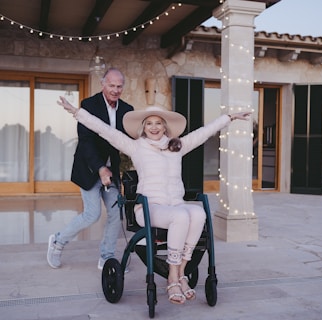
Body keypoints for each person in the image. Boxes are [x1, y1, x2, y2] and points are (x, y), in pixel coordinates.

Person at [57, 96, 251, 304]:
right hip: (149, 209)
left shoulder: (177, 146)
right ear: (143, 127)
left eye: (158, 123)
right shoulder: (136, 147)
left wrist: (229, 117)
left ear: (165, 127)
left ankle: (180, 274)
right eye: (149, 123)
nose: (154, 127)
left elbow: (204, 133)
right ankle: (173, 279)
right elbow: (104, 130)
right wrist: (76, 112)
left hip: (174, 206)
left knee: (198, 213)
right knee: (181, 217)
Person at [47, 68, 134, 271]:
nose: (115, 90)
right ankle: (58, 241)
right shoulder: (89, 104)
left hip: (113, 172)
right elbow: (86, 142)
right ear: (103, 84)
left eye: (119, 86)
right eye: (111, 85)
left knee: (116, 215)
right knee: (92, 214)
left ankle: (107, 256)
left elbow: (129, 140)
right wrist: (101, 169)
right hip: (89, 167)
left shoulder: (128, 109)